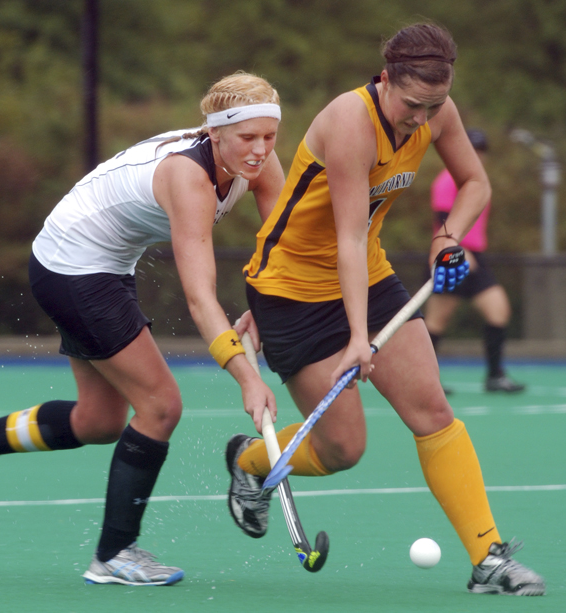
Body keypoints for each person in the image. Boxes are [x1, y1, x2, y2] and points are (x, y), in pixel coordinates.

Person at [0, 71, 284, 587]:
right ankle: (114, 554)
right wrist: (248, 378)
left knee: (99, 421)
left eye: (269, 136)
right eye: (247, 137)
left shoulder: (260, 163)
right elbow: (200, 296)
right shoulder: (190, 179)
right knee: (161, 407)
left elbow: (280, 247)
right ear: (214, 133)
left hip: (102, 262)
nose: (258, 150)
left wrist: (263, 305)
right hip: (73, 267)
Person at [225, 24, 545, 596]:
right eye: (413, 105)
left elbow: (475, 183)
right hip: (292, 290)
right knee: (343, 450)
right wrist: (356, 337)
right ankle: (250, 462)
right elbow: (345, 235)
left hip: (368, 277)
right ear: (385, 80)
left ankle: (488, 559)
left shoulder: (436, 113)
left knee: (432, 410)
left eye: (435, 105)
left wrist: (449, 237)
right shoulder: (350, 122)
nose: (422, 119)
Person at [424, 128, 525, 393]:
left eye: (482, 151)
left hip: (476, 257)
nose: (478, 156)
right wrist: (458, 251)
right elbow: (442, 223)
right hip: (452, 256)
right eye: (473, 150)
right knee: (436, 321)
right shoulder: (447, 181)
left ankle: (495, 375)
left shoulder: (479, 182)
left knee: (499, 311)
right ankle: (427, 381)